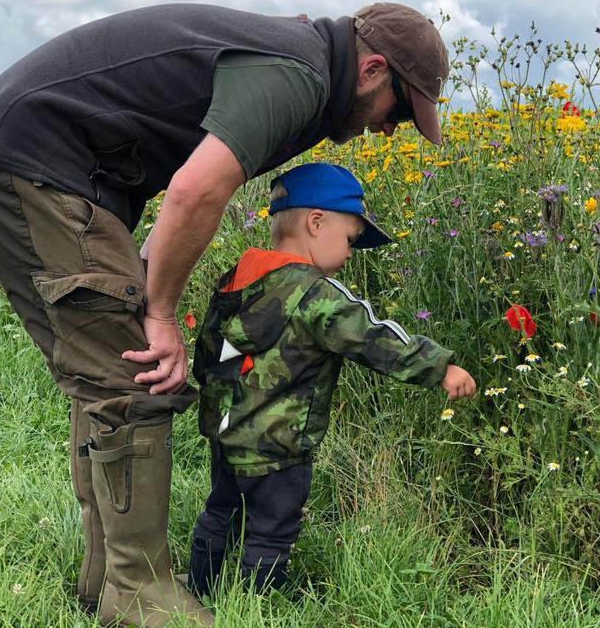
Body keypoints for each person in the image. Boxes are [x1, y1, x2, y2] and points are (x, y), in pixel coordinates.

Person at [0, 2, 449, 627]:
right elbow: (196, 190)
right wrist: (161, 312)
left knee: (109, 367)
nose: (390, 131)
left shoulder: (299, 64)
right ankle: (139, 595)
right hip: (37, 157)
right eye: (400, 111)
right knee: (131, 374)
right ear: (373, 69)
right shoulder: (297, 75)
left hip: (55, 161)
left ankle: (108, 582)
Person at [186, 162, 477, 597]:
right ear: (316, 223)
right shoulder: (318, 294)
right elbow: (372, 336)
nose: (349, 255)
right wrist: (438, 367)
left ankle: (199, 592)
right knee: (271, 532)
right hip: (281, 446)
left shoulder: (238, 280)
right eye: (349, 240)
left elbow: (206, 355)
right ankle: (259, 606)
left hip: (226, 436)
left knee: (220, 514)